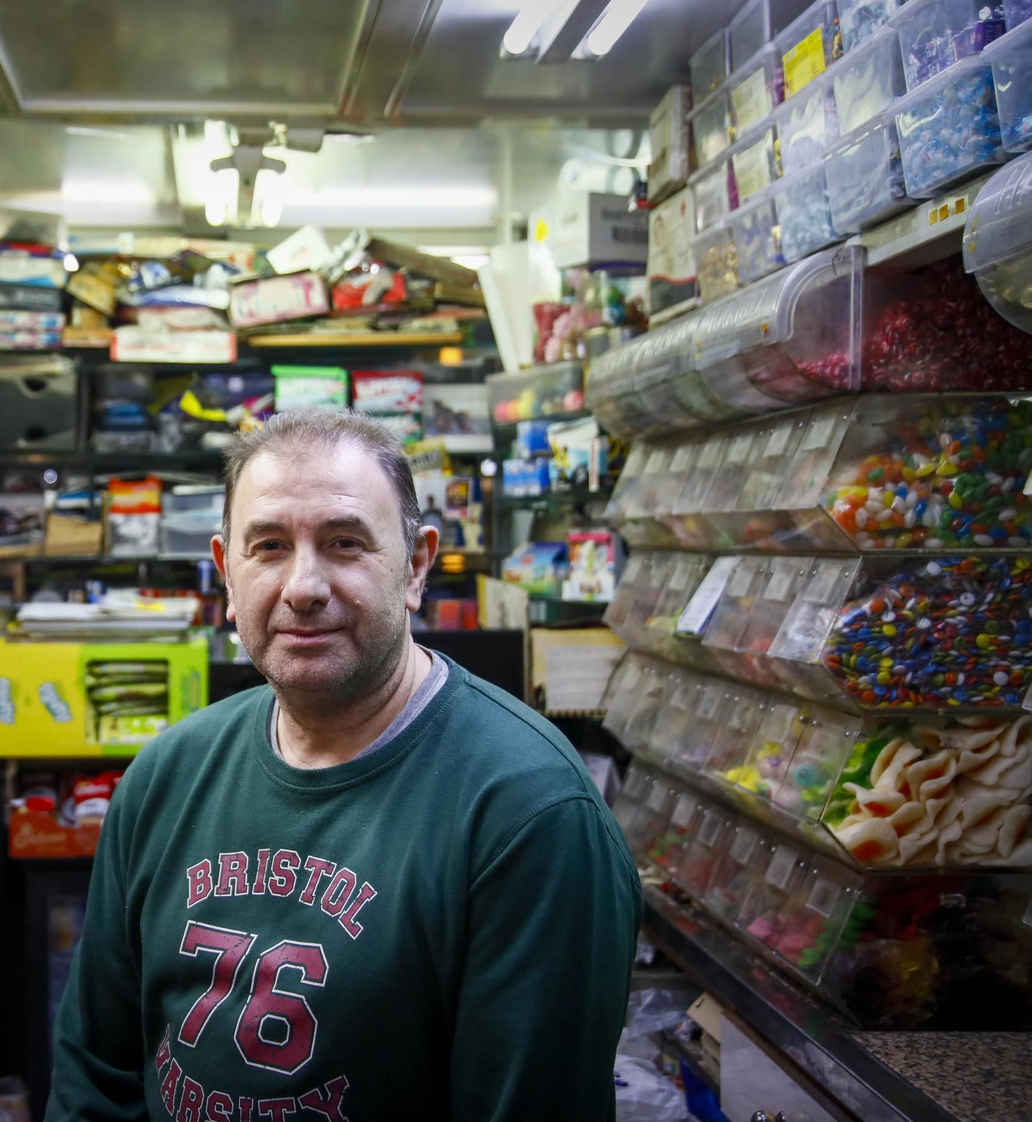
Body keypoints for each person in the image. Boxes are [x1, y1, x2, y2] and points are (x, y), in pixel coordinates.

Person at [47, 408, 640, 1121]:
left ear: (416, 565)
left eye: (345, 543)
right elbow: (94, 1073)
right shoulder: (167, 775)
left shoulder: (529, 814)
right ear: (226, 572)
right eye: (268, 545)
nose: (304, 586)